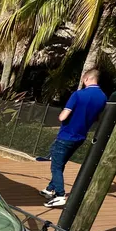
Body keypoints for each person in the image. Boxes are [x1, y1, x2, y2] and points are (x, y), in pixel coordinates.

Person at [40, 70, 107, 207]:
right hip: (80, 137)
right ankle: (49, 189)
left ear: (86, 78)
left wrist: (61, 116)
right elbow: (97, 117)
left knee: (56, 166)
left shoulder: (78, 94)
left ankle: (59, 195)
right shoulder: (103, 97)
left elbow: (63, 117)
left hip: (66, 135)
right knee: (61, 163)